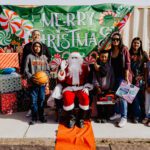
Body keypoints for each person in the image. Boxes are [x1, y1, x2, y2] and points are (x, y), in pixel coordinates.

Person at [57, 52, 93, 128]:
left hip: (81, 87)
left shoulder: (84, 67)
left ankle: (80, 118)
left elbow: (89, 78)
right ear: (69, 59)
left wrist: (86, 87)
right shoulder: (66, 68)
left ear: (79, 59)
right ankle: (71, 118)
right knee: (67, 97)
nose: (74, 60)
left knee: (84, 97)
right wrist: (62, 70)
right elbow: (61, 80)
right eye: (72, 58)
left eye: (76, 58)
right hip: (69, 87)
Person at [21, 30, 51, 117]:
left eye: (38, 35)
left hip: (41, 74)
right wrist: (24, 73)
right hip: (31, 74)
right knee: (32, 95)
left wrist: (41, 63)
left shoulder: (44, 46)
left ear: (40, 36)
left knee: (41, 96)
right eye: (34, 35)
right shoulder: (27, 46)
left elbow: (49, 57)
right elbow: (24, 60)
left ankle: (41, 110)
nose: (36, 36)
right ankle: (32, 109)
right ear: (32, 36)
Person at [24, 41, 50, 125]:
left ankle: (41, 116)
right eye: (35, 46)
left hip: (42, 84)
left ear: (41, 48)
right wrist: (32, 77)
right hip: (33, 83)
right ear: (33, 47)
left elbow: (48, 70)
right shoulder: (29, 57)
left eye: (39, 46)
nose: (37, 48)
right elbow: (26, 70)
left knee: (41, 100)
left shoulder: (44, 58)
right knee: (33, 101)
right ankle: (34, 117)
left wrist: (45, 77)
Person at [109, 32, 131, 127]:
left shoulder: (124, 49)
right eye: (113, 39)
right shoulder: (110, 51)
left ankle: (124, 117)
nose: (115, 41)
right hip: (114, 76)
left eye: (117, 39)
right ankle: (117, 113)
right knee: (116, 96)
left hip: (123, 76)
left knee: (123, 97)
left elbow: (127, 64)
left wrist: (126, 77)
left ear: (120, 40)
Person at [91, 50, 114, 123]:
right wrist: (97, 87)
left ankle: (105, 117)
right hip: (99, 89)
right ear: (99, 57)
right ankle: (99, 116)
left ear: (107, 58)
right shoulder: (96, 67)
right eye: (102, 57)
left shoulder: (110, 67)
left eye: (105, 57)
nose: (104, 58)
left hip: (108, 89)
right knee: (99, 104)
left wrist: (111, 87)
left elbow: (112, 78)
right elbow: (94, 78)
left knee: (107, 104)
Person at [129, 37, 149, 122]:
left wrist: (142, 77)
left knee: (140, 97)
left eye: (137, 43)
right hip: (130, 78)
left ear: (140, 44)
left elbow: (147, 67)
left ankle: (141, 115)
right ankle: (135, 116)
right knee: (132, 98)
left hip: (140, 79)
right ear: (132, 43)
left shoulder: (144, 54)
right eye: (134, 43)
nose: (136, 44)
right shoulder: (128, 53)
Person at [143, 61, 150, 127]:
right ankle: (147, 117)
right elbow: (145, 75)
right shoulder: (147, 63)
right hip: (147, 86)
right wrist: (147, 86)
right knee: (147, 103)